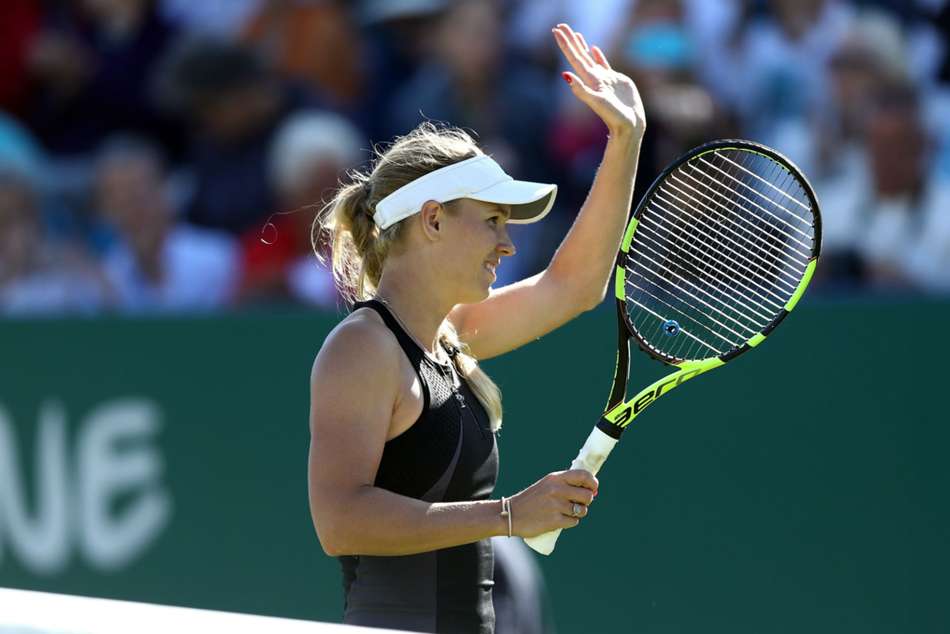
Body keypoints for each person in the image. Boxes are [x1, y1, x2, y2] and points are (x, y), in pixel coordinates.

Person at [307, 23, 645, 633]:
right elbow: (340, 521)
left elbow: (575, 287)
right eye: (492, 221)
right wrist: (510, 514)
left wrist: (625, 139)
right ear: (433, 220)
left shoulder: (449, 336)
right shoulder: (362, 347)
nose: (508, 244)